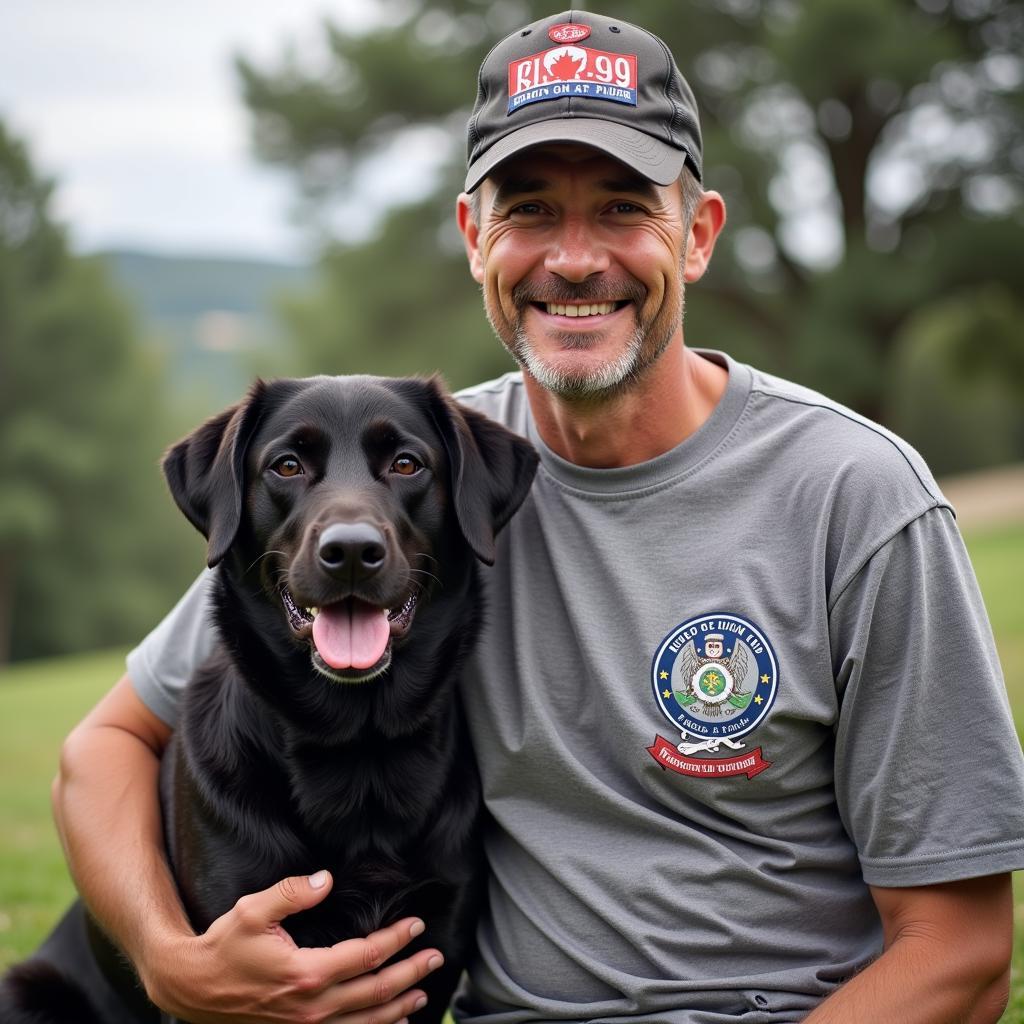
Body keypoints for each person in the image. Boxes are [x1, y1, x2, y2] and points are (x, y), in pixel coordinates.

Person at [52, 11, 1024, 1024]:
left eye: (619, 208)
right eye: (528, 210)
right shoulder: (423, 472)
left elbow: (960, 950)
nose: (570, 258)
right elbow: (106, 746)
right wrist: (170, 960)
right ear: (476, 239)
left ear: (695, 236)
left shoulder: (855, 496)